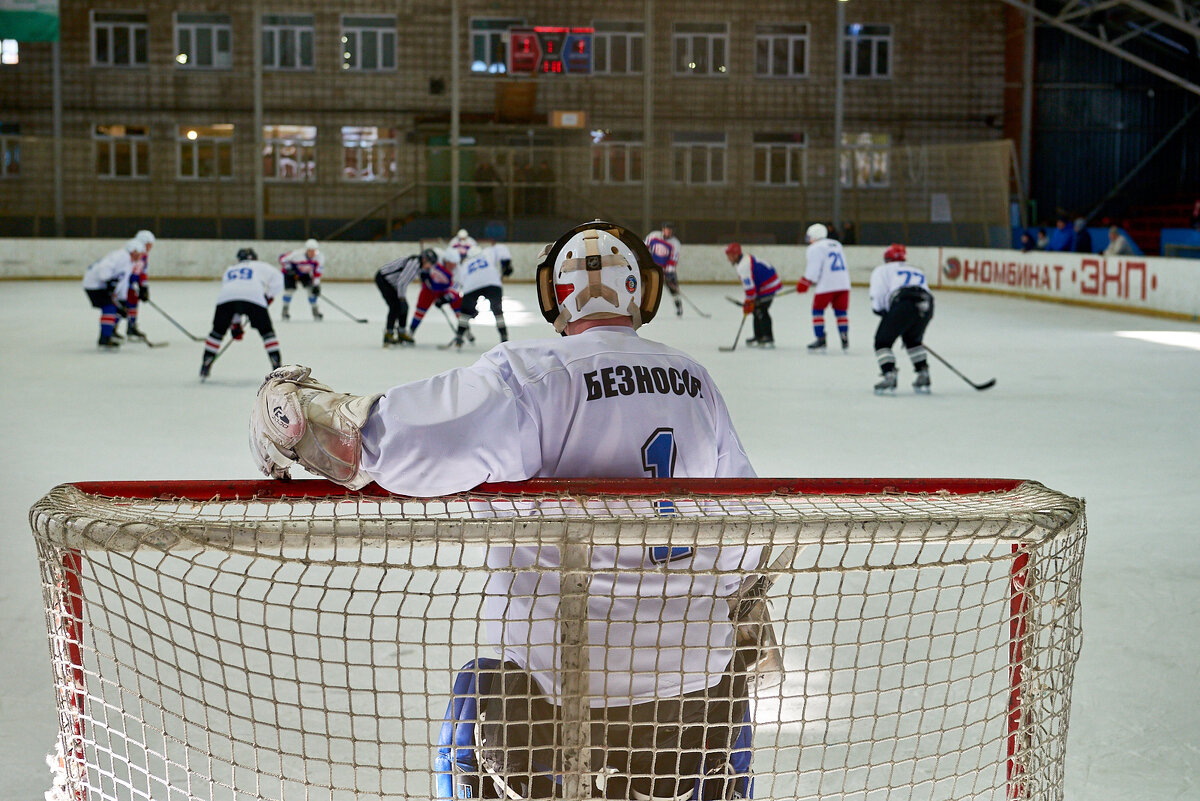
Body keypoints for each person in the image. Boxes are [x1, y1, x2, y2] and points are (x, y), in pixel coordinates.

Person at [249, 220, 764, 801]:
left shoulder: (534, 374)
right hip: (690, 705)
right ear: (642, 292)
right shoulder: (697, 384)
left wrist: (297, 417)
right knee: (726, 696)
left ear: (556, 297)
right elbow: (742, 533)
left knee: (472, 697)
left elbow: (393, 442)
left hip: (552, 695)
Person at [200, 248, 283, 380]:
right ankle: (277, 367)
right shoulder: (260, 265)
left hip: (226, 298)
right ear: (255, 258)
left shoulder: (230, 269)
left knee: (217, 332)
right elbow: (279, 279)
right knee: (267, 332)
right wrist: (269, 296)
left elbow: (235, 298)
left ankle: (205, 364)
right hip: (254, 296)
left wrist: (235, 325)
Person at [868, 243, 935, 395]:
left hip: (904, 303)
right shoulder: (916, 269)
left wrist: (880, 310)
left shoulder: (882, 270)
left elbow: (878, 293)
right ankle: (923, 373)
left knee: (882, 341)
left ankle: (889, 374)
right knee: (913, 340)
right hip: (927, 304)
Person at [797, 223, 852, 352]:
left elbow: (814, 269)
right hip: (844, 284)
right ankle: (844, 338)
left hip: (827, 285)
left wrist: (806, 281)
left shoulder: (815, 248)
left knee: (817, 311)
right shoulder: (836, 244)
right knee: (841, 312)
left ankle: (820, 339)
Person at [450, 242, 513, 348]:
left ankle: (459, 336)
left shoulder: (465, 264)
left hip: (472, 285)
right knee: (497, 311)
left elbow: (458, 284)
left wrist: (468, 306)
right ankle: (504, 336)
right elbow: (501, 249)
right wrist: (506, 264)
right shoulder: (487, 252)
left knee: (464, 313)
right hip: (492, 282)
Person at [82, 238, 140, 349]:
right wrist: (108, 281)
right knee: (109, 307)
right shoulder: (122, 256)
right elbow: (104, 268)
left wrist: (122, 301)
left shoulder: (129, 261)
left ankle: (108, 333)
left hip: (100, 285)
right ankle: (105, 338)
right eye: (138, 253)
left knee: (117, 308)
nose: (140, 256)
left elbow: (122, 282)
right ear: (133, 250)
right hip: (93, 284)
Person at [725, 241, 782, 348]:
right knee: (756, 309)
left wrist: (749, 301)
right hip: (765, 284)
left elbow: (750, 289)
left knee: (761, 310)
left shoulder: (743, 266)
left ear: (736, 255)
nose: (728, 259)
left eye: (729, 256)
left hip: (769, 285)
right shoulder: (743, 261)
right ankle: (759, 336)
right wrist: (750, 302)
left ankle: (768, 337)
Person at [374, 250, 434, 347]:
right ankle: (388, 334)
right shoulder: (414, 265)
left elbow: (424, 277)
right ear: (424, 259)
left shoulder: (419, 264)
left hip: (393, 283)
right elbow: (401, 283)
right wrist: (402, 299)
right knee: (395, 307)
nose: (430, 266)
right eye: (430, 263)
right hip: (384, 280)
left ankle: (401, 332)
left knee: (404, 307)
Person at [406, 248, 462, 342]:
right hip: (429, 288)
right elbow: (425, 257)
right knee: (421, 309)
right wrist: (424, 272)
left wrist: (445, 298)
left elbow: (456, 288)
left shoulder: (458, 271)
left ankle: (464, 330)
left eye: (455, 264)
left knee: (458, 304)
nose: (453, 266)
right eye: (451, 264)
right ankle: (411, 331)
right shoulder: (437, 256)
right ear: (446, 260)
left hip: (445, 290)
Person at [278, 238, 324, 321]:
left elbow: (317, 273)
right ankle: (285, 311)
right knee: (289, 291)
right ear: (306, 250)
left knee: (311, 291)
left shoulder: (319, 257)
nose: (312, 253)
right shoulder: (297, 254)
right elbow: (282, 258)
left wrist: (316, 285)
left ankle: (315, 311)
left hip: (304, 274)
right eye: (310, 250)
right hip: (291, 274)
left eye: (314, 251)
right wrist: (289, 268)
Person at [645, 222, 684, 316]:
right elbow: (644, 247)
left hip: (666, 270)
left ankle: (678, 306)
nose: (669, 232)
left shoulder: (675, 243)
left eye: (671, 230)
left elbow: (673, 260)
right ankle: (646, 308)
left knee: (673, 290)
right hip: (653, 268)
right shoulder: (654, 235)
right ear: (663, 229)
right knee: (648, 289)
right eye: (667, 229)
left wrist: (668, 273)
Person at [125, 229, 155, 341]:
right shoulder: (134, 252)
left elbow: (142, 272)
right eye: (149, 244)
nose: (151, 247)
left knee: (133, 303)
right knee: (121, 306)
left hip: (131, 285)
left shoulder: (144, 255)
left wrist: (143, 287)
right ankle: (111, 329)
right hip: (124, 284)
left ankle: (131, 327)